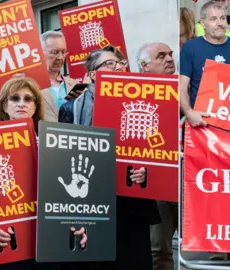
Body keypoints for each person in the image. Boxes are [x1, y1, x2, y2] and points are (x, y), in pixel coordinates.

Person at [59, 46, 160, 270]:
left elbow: (157, 147)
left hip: (130, 196)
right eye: (109, 64)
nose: (117, 67)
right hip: (91, 197)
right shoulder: (71, 108)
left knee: (134, 259)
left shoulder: (144, 101)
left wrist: (146, 171)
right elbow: (64, 158)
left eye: (119, 63)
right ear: (93, 74)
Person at [0, 77, 80, 270]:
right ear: (5, 106)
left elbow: (64, 189)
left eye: (28, 99)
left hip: (49, 235)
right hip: (9, 238)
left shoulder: (54, 143)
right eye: (15, 98)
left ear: (35, 106)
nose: (22, 103)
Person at [180, 0, 230, 127]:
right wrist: (189, 113)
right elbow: (182, 86)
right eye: (213, 19)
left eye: (222, 18)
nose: (219, 23)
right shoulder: (190, 47)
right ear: (203, 24)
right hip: (203, 122)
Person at [136, 44, 177, 270]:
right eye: (161, 56)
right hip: (156, 180)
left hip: (188, 176)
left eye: (170, 54)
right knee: (159, 248)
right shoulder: (133, 92)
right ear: (144, 66)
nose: (169, 59)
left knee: (198, 246)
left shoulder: (187, 87)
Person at [40, 31, 79, 122]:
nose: (61, 57)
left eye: (63, 52)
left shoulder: (75, 85)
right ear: (39, 52)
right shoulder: (28, 85)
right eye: (55, 52)